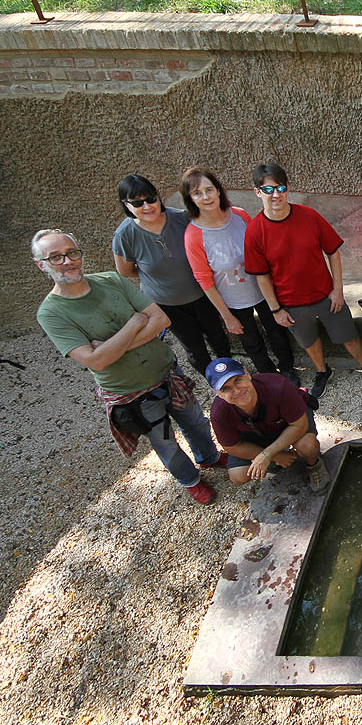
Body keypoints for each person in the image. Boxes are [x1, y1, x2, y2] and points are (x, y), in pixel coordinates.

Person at [34, 229, 223, 505]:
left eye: (72, 253)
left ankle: (209, 458)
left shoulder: (111, 280)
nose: (67, 261)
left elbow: (160, 319)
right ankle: (190, 480)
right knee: (165, 443)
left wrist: (111, 346)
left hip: (166, 372)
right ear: (41, 264)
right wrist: (134, 323)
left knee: (195, 422)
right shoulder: (51, 313)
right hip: (130, 391)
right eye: (55, 257)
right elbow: (96, 361)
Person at [242, 161, 362, 401]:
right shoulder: (255, 231)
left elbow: (333, 252)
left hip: (326, 296)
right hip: (291, 304)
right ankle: (322, 371)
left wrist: (338, 290)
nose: (276, 194)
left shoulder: (308, 216)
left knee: (349, 336)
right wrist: (275, 309)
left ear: (287, 188)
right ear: (258, 192)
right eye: (268, 189)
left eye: (280, 187)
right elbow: (261, 276)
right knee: (308, 341)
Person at [181, 166, 297, 383]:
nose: (206, 197)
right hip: (233, 300)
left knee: (277, 332)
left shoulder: (240, 215)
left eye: (209, 189)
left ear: (218, 190)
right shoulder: (193, 235)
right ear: (190, 199)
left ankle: (289, 369)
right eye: (198, 193)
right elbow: (204, 281)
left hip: (263, 290)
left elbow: (261, 250)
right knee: (252, 341)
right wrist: (227, 316)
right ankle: (270, 377)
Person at [112, 173, 229, 377]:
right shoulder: (125, 235)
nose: (147, 206)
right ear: (126, 204)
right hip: (167, 303)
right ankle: (215, 380)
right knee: (194, 346)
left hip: (202, 295)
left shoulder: (181, 218)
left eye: (150, 199)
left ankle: (228, 370)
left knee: (218, 336)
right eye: (138, 203)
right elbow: (126, 271)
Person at [206, 357, 328, 492]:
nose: (236, 391)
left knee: (307, 445)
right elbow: (232, 447)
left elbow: (299, 425)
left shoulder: (277, 386)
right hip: (254, 433)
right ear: (217, 393)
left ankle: (314, 465)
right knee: (238, 475)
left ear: (247, 374)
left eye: (237, 380)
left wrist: (267, 455)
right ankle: (278, 463)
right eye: (226, 388)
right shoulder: (219, 413)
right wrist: (275, 455)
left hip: (288, 422)